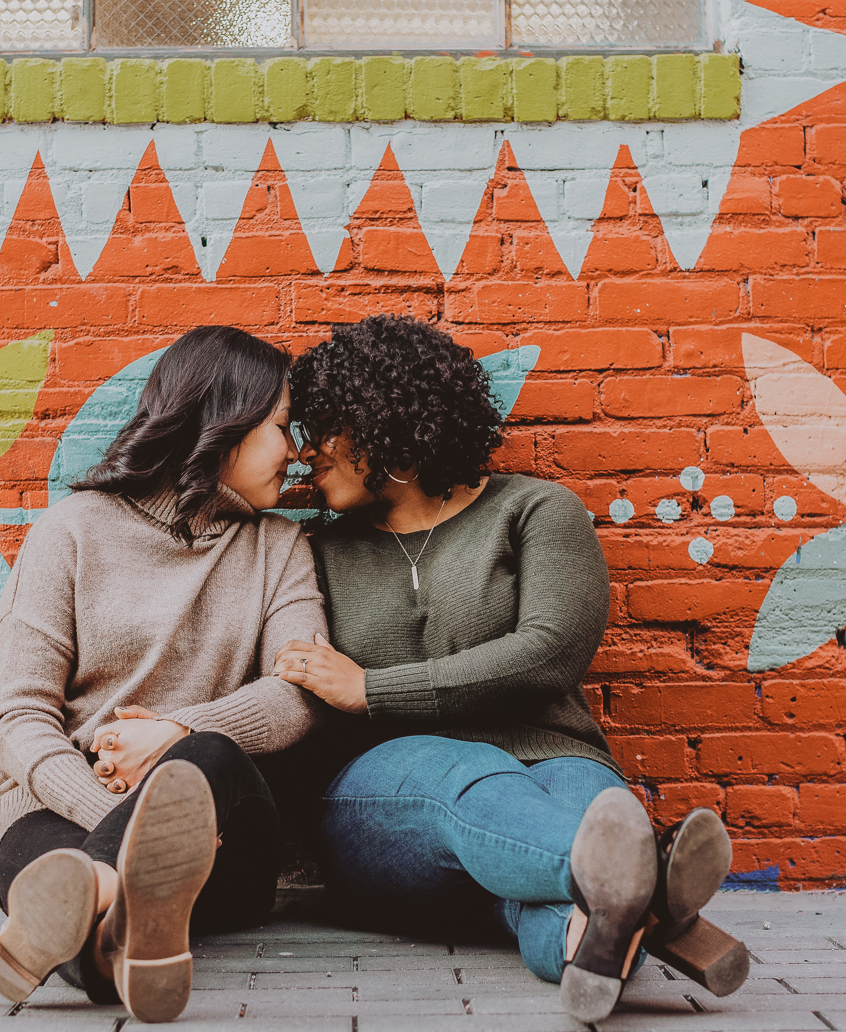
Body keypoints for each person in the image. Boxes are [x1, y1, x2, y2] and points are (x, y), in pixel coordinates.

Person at [275, 315, 750, 1023]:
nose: (306, 451)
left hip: (552, 757)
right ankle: (648, 880)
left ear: (383, 421)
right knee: (463, 779)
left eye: (325, 427)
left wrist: (371, 688)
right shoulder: (314, 550)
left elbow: (547, 655)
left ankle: (597, 935)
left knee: (559, 868)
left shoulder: (534, 512)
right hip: (386, 802)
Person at [0, 325, 329, 1023]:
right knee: (58, 880)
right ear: (222, 423)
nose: (294, 452)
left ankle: (92, 910)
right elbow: (18, 718)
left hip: (222, 834)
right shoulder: (72, 531)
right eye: (283, 428)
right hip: (58, 812)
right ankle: (118, 937)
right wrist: (129, 823)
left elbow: (298, 695)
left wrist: (173, 732)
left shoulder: (278, 546)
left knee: (204, 752)